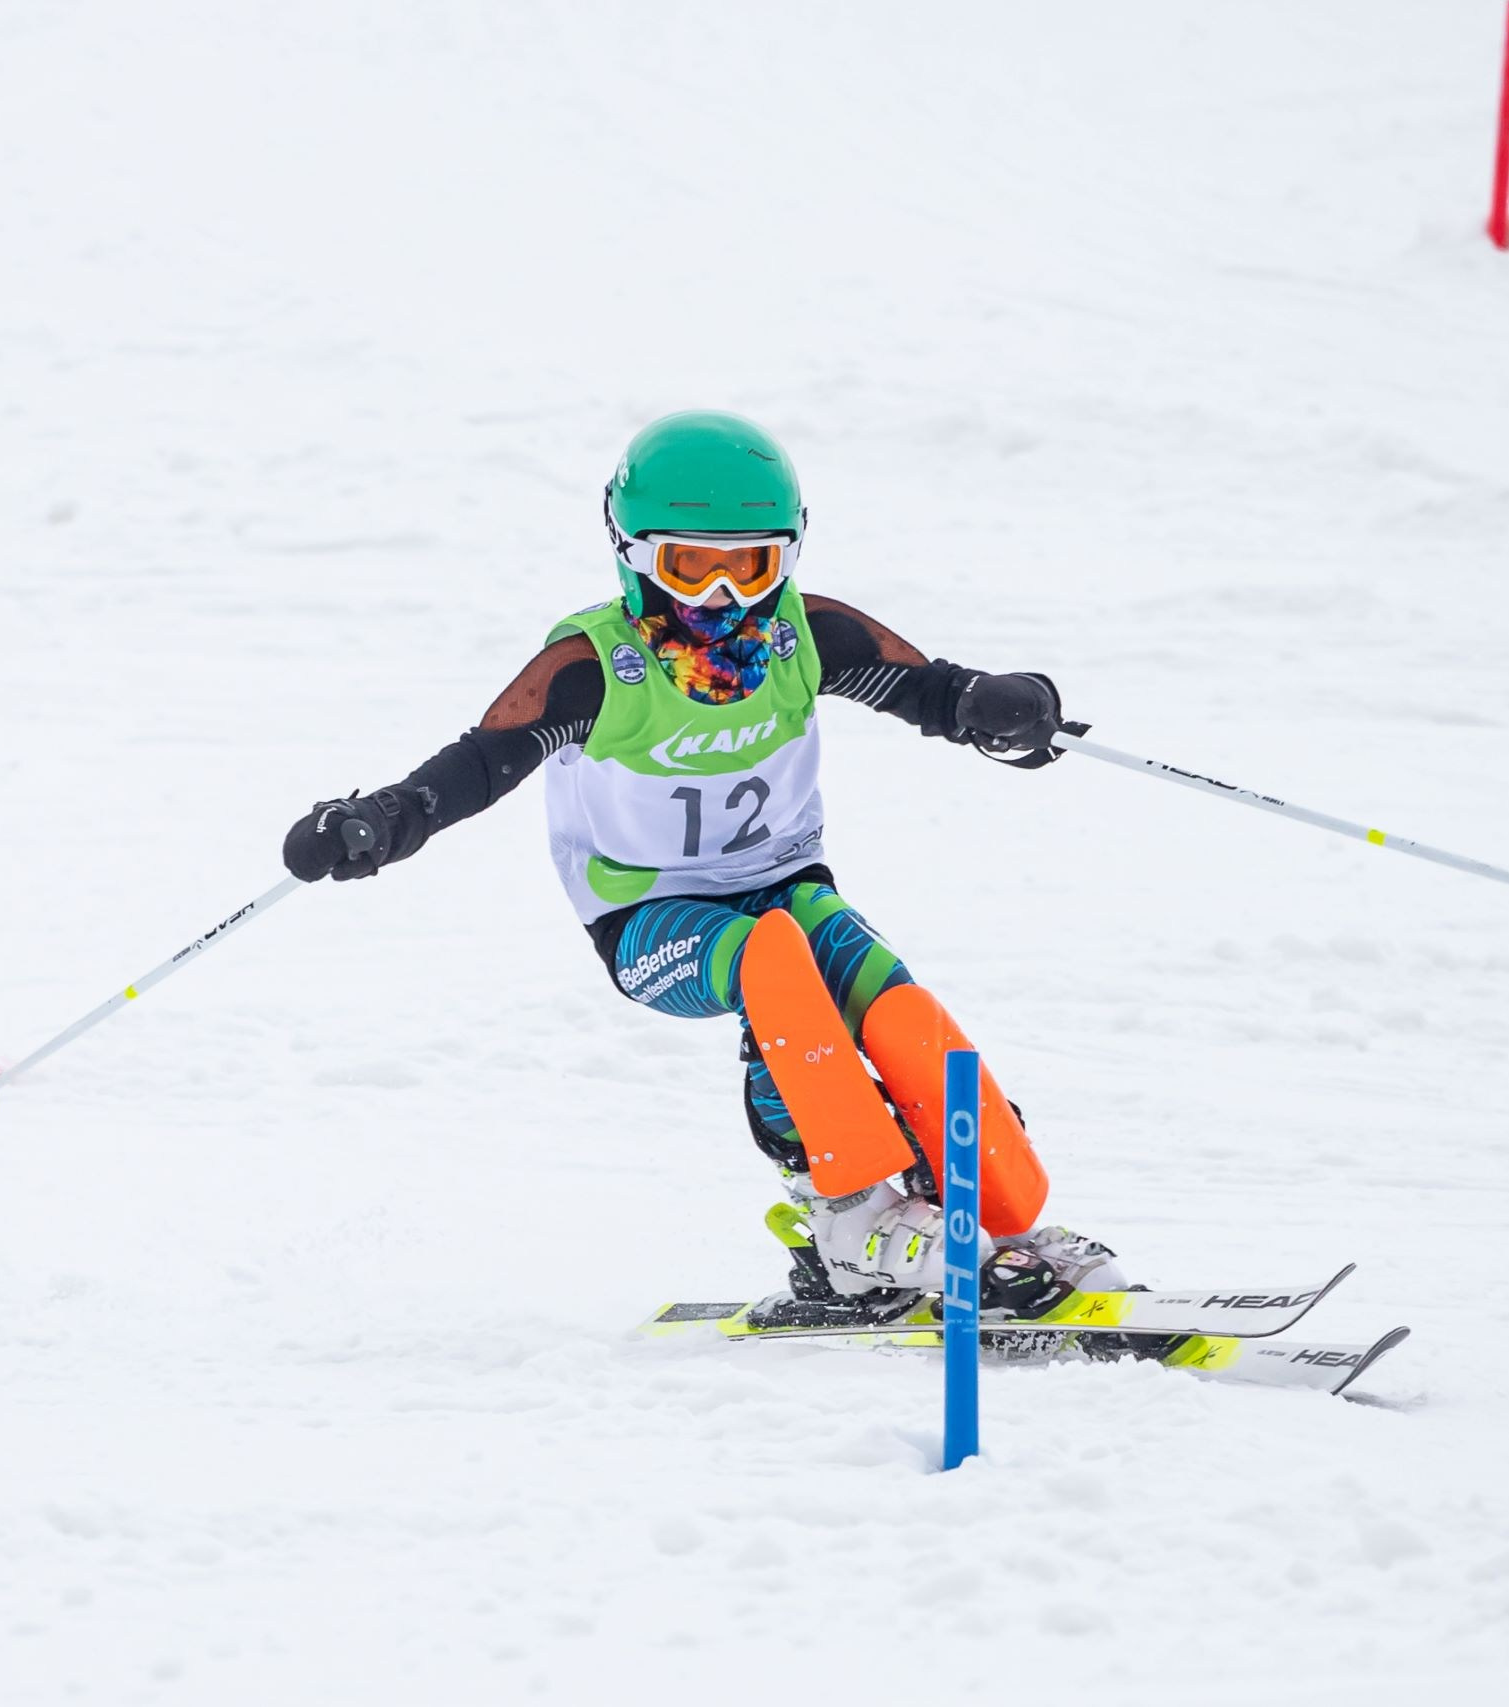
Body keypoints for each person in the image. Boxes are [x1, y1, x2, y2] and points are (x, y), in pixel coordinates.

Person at [282, 411, 1132, 1326]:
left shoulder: (804, 636)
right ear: (630, 551)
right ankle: (846, 1219)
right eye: (691, 565)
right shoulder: (596, 667)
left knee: (888, 996)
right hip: (650, 921)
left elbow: (935, 690)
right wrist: (385, 820)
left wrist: (1001, 707)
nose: (723, 595)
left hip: (790, 888)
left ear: (791, 555)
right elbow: (481, 763)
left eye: (752, 565)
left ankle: (996, 1216)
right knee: (771, 960)